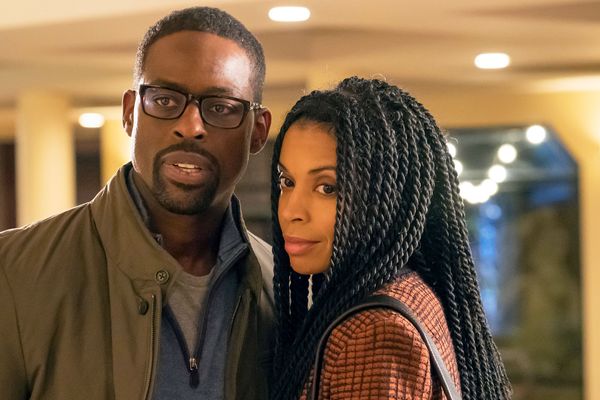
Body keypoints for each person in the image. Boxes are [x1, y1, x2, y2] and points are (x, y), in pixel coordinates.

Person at [0, 7, 274, 400]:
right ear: (130, 113)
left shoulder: (284, 289)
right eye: (164, 100)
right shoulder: (13, 272)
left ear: (257, 132)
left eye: (220, 107)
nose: (190, 126)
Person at [270, 77, 512, 399]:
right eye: (287, 182)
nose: (291, 211)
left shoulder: (373, 331)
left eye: (327, 188)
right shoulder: (406, 289)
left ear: (387, 198)